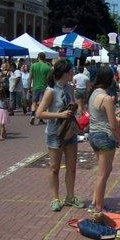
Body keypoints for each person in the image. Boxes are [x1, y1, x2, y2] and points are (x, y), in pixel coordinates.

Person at [36, 60, 84, 212]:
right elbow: (40, 113)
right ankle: (55, 198)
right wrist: (60, 114)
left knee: (72, 167)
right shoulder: (51, 91)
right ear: (64, 73)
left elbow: (73, 105)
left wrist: (74, 110)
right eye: (70, 72)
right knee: (54, 168)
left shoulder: (70, 88)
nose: (73, 74)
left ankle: (70, 196)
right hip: (55, 133)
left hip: (70, 131)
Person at [88, 66, 120, 214]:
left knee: (106, 170)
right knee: (103, 173)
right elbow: (113, 124)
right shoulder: (107, 98)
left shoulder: (93, 93)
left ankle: (95, 201)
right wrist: (119, 138)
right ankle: (98, 207)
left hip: (93, 135)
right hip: (105, 136)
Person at [29, 52, 52, 126]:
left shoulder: (33, 65)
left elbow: (30, 77)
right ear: (44, 58)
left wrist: (30, 86)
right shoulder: (47, 67)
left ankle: (33, 115)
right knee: (41, 103)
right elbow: (48, 79)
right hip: (43, 87)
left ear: (38, 57)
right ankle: (40, 118)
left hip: (35, 86)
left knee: (34, 102)